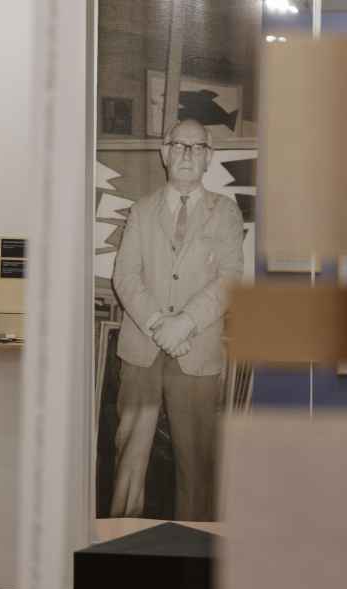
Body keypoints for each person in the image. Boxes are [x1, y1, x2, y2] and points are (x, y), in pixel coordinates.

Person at [110, 118, 244, 521]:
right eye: (179, 145)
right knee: (129, 459)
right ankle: (121, 541)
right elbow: (125, 276)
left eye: (197, 147)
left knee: (198, 464)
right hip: (141, 353)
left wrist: (184, 323)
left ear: (208, 157)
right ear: (164, 153)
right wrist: (157, 324)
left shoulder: (226, 213)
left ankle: (193, 548)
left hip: (196, 352)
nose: (187, 153)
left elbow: (230, 278)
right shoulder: (141, 210)